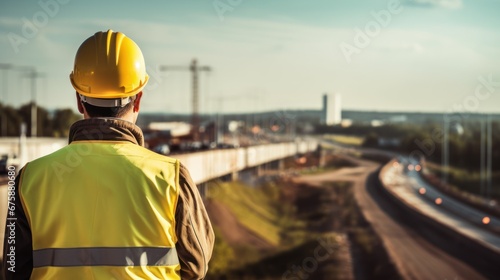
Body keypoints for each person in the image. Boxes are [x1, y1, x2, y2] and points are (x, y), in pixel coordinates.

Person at [3, 30, 214, 279]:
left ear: (79, 102)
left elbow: (13, 269)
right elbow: (196, 266)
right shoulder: (171, 177)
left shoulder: (29, 179)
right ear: (137, 101)